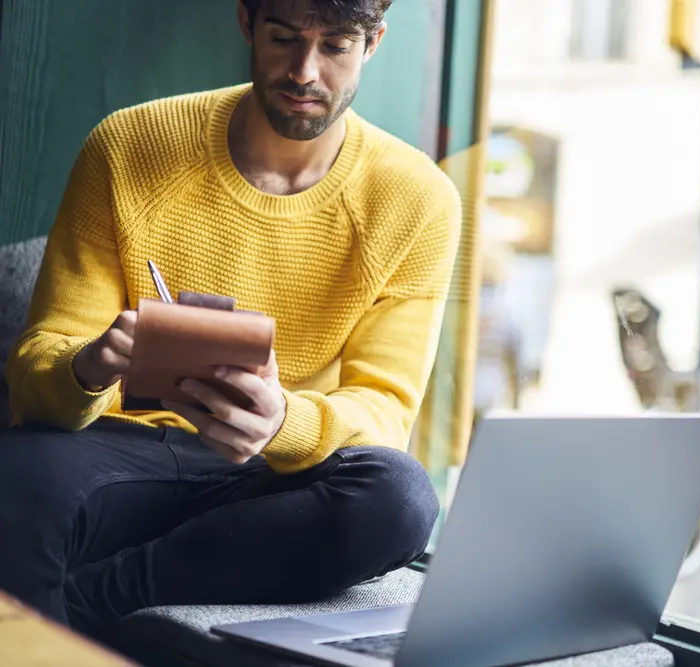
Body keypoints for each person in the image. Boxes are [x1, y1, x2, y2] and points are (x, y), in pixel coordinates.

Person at [0, 0, 460, 639]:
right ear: (247, 24)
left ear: (374, 43)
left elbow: (383, 412)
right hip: (114, 453)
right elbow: (34, 375)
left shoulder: (417, 199)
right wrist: (93, 361)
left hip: (268, 475)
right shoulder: (131, 145)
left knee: (401, 498)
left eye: (335, 47)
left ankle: (87, 609)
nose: (306, 71)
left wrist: (283, 423)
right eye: (284, 39)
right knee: (12, 473)